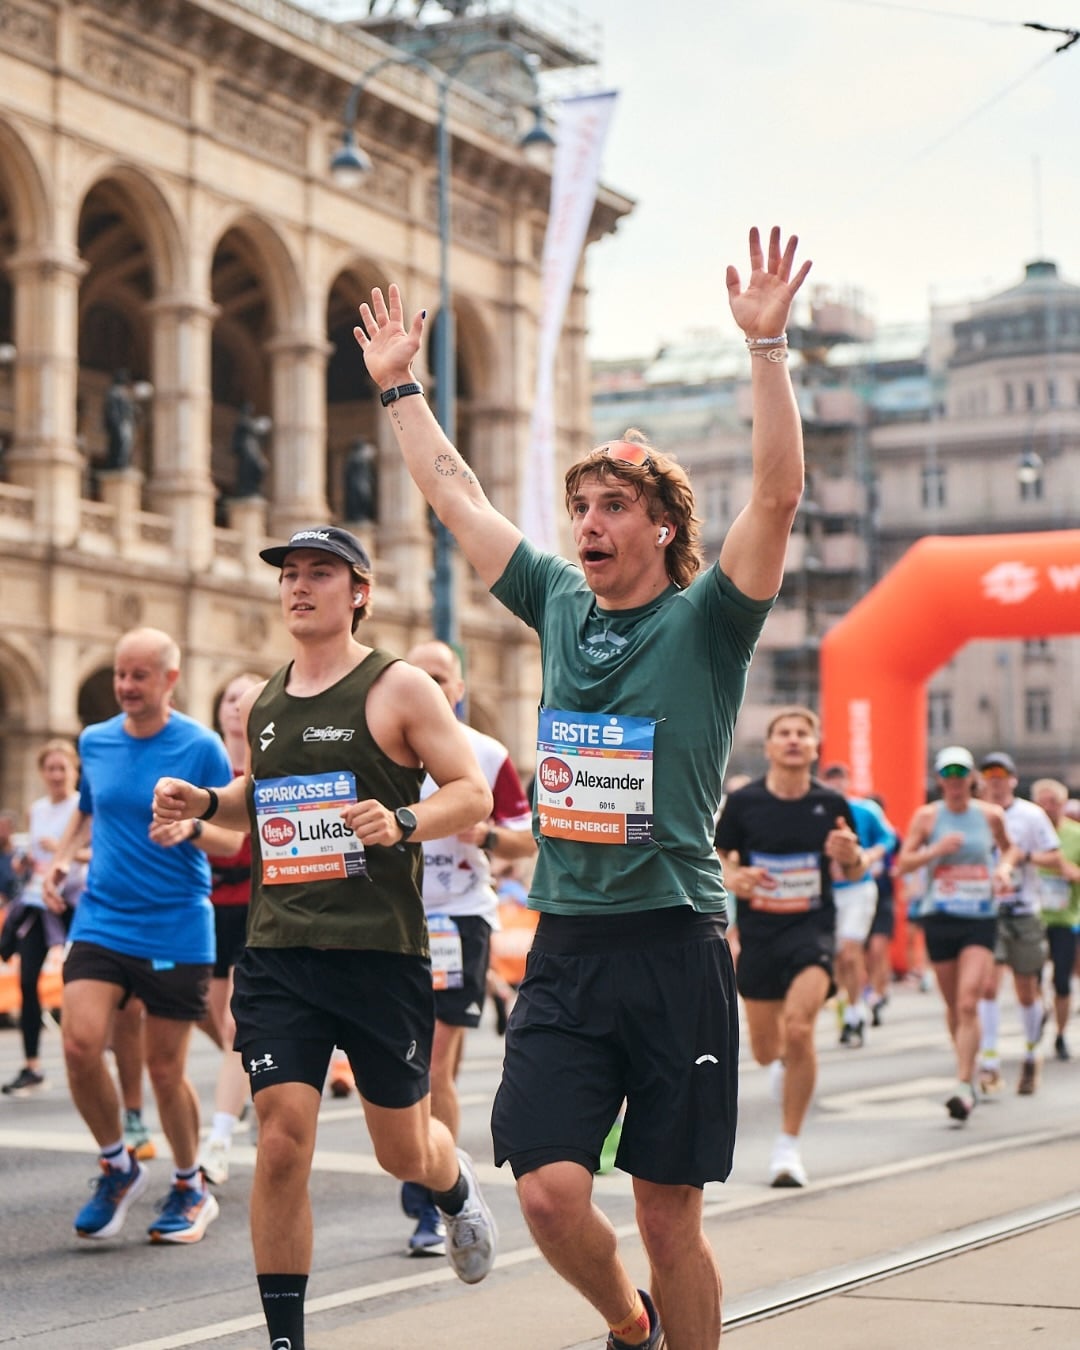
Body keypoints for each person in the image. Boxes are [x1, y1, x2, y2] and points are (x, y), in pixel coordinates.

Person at [354, 224, 812, 1349]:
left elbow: (775, 499)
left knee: (666, 1216)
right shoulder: (559, 600)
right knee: (551, 1195)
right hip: (566, 945)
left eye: (612, 506)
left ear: (661, 525)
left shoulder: (709, 622)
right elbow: (460, 500)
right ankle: (628, 1324)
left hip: (673, 941)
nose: (589, 525)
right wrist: (401, 388)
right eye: (581, 507)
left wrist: (766, 350)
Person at [151, 524, 497, 1350]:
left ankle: (451, 1186)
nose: (299, 587)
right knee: (279, 1142)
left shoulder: (399, 686)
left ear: (358, 593)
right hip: (280, 951)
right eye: (290, 575)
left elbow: (471, 792)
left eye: (319, 573)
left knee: (402, 1151)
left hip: (378, 952)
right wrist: (206, 802)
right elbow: (261, 799)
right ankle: (286, 1340)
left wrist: (403, 820)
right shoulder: (267, 701)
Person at [44, 627, 239, 1243]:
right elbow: (89, 806)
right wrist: (62, 858)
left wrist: (193, 829)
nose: (125, 686)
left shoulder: (201, 746)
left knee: (163, 1067)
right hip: (103, 916)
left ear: (170, 679)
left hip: (175, 922)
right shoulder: (96, 740)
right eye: (120, 675)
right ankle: (117, 1165)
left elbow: (234, 838)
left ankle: (189, 1184)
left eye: (139, 676)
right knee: (79, 1045)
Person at [400, 637, 536, 1256]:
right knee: (407, 1064)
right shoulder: (379, 744)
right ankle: (439, 1165)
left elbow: (526, 837)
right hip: (391, 920)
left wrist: (483, 836)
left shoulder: (486, 753)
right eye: (419, 675)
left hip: (457, 918)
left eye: (441, 677)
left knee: (435, 1063)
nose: (431, 686)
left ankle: (434, 1202)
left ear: (458, 689)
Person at [714, 709, 864, 1187]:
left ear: (815, 747)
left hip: (812, 929)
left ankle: (787, 1146)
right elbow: (718, 856)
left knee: (800, 1029)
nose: (794, 740)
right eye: (784, 733)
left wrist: (851, 856)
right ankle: (783, 1063)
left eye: (803, 733)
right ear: (770, 746)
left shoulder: (831, 802)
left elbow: (855, 866)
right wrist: (733, 877)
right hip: (760, 933)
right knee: (765, 1050)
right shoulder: (745, 803)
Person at [896, 746, 1018, 1123]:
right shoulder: (928, 817)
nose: (954, 780)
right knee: (952, 1005)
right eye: (947, 774)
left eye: (960, 773)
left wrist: (1003, 871)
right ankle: (966, 1063)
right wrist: (936, 850)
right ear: (939, 780)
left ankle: (964, 1084)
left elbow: (1009, 850)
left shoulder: (990, 815)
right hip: (940, 916)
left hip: (979, 916)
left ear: (971, 779)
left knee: (968, 1001)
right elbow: (903, 863)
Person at [197, 672, 262, 1186]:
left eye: (245, 697)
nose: (235, 705)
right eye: (228, 697)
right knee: (209, 1016)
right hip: (208, 905)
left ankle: (218, 1136)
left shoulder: (270, 761)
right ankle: (260, 1084)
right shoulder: (205, 761)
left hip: (257, 905)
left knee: (234, 1026)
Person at [974, 751, 1063, 1096]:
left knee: (1025, 989)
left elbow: (1054, 856)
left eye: (1001, 777)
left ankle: (1030, 1052)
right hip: (986, 910)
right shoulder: (974, 813)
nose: (995, 783)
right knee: (987, 985)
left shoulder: (1030, 815)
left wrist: (1022, 857)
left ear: (1012, 780)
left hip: (1024, 909)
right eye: (989, 777)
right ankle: (990, 1061)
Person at [2, 740, 86, 1097]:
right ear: (41, 772)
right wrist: (24, 863)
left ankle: (100, 1047)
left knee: (83, 980)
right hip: (39, 902)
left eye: (62, 768)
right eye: (50, 768)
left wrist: (65, 851)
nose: (56, 775)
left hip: (75, 902)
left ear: (74, 771)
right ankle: (32, 1065)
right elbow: (34, 858)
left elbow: (98, 853)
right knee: (28, 980)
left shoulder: (83, 806)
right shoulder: (36, 810)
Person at [820, 763, 899, 1044]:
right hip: (828, 892)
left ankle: (855, 1013)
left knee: (850, 952)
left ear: (847, 782)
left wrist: (870, 856)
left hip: (858, 889)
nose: (835, 784)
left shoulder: (865, 810)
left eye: (839, 779)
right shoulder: (815, 811)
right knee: (838, 957)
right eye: (830, 779)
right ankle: (849, 1009)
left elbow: (889, 837)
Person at [1030, 778, 1080, 1061]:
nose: (1048, 807)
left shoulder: (1076, 834)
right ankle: (1039, 1012)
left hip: (1065, 916)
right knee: (1032, 978)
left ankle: (1060, 1035)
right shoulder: (1027, 833)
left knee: (1062, 979)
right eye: (1043, 802)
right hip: (1033, 917)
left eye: (1054, 802)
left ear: (1063, 803)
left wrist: (1072, 872)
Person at [231, 402, 268, 498]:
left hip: (252, 448)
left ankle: (253, 488)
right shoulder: (243, 421)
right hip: (247, 449)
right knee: (252, 466)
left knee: (260, 466)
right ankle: (248, 489)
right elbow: (253, 428)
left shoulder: (248, 422)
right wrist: (262, 424)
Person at [103, 369, 135, 470]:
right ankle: (119, 464)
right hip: (119, 423)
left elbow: (129, 409)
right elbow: (112, 411)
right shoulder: (114, 393)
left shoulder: (124, 394)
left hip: (125, 423)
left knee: (126, 444)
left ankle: (123, 463)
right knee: (119, 444)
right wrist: (116, 423)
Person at [344, 436, 378, 523]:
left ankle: (362, 516)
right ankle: (357, 516)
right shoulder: (355, 457)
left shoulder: (361, 457)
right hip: (357, 483)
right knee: (358, 498)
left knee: (365, 499)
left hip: (363, 482)